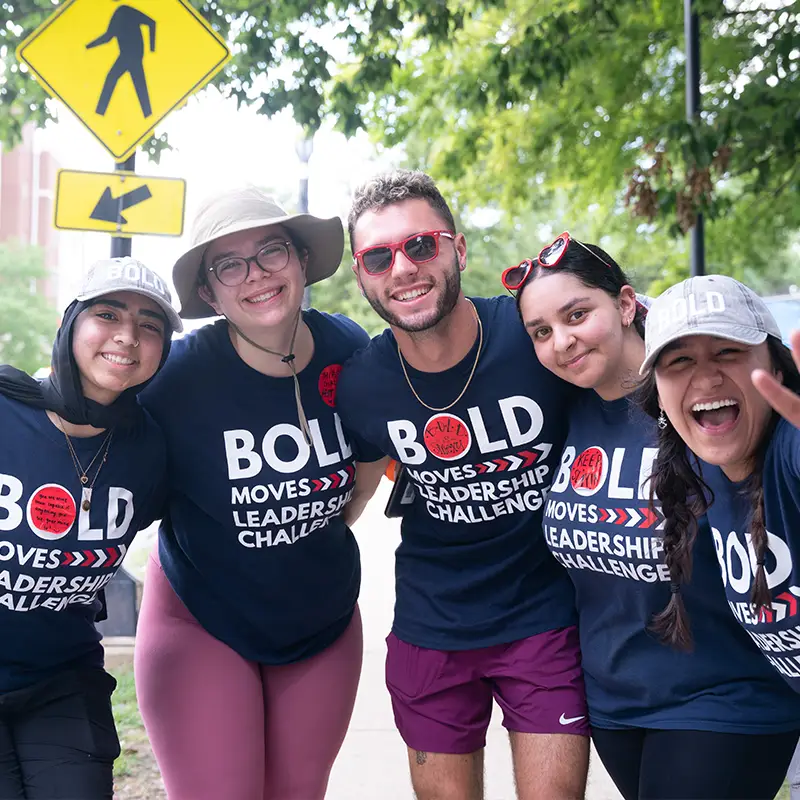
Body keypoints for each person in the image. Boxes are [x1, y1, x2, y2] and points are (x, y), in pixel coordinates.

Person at [508, 244, 800, 799]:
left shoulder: (714, 412)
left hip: (724, 698)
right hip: (616, 704)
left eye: (576, 315)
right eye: (540, 332)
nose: (563, 341)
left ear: (624, 304)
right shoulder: (563, 410)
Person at [335, 170, 589, 800]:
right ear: (362, 275)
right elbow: (357, 492)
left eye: (421, 245)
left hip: (545, 617)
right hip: (432, 629)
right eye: (378, 256)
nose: (403, 269)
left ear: (458, 250)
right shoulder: (363, 384)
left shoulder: (533, 339)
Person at [134, 186, 388, 800]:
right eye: (230, 265)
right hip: (201, 617)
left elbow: (375, 452)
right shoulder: (176, 378)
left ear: (301, 260)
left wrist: (312, 521)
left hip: (320, 619)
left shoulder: (348, 349)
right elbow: (98, 439)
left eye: (272, 251)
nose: (257, 276)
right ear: (208, 292)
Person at [0, 257, 181, 800]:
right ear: (70, 325)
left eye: (150, 325)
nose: (127, 337)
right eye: (108, 314)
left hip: (63, 681)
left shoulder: (150, 448)